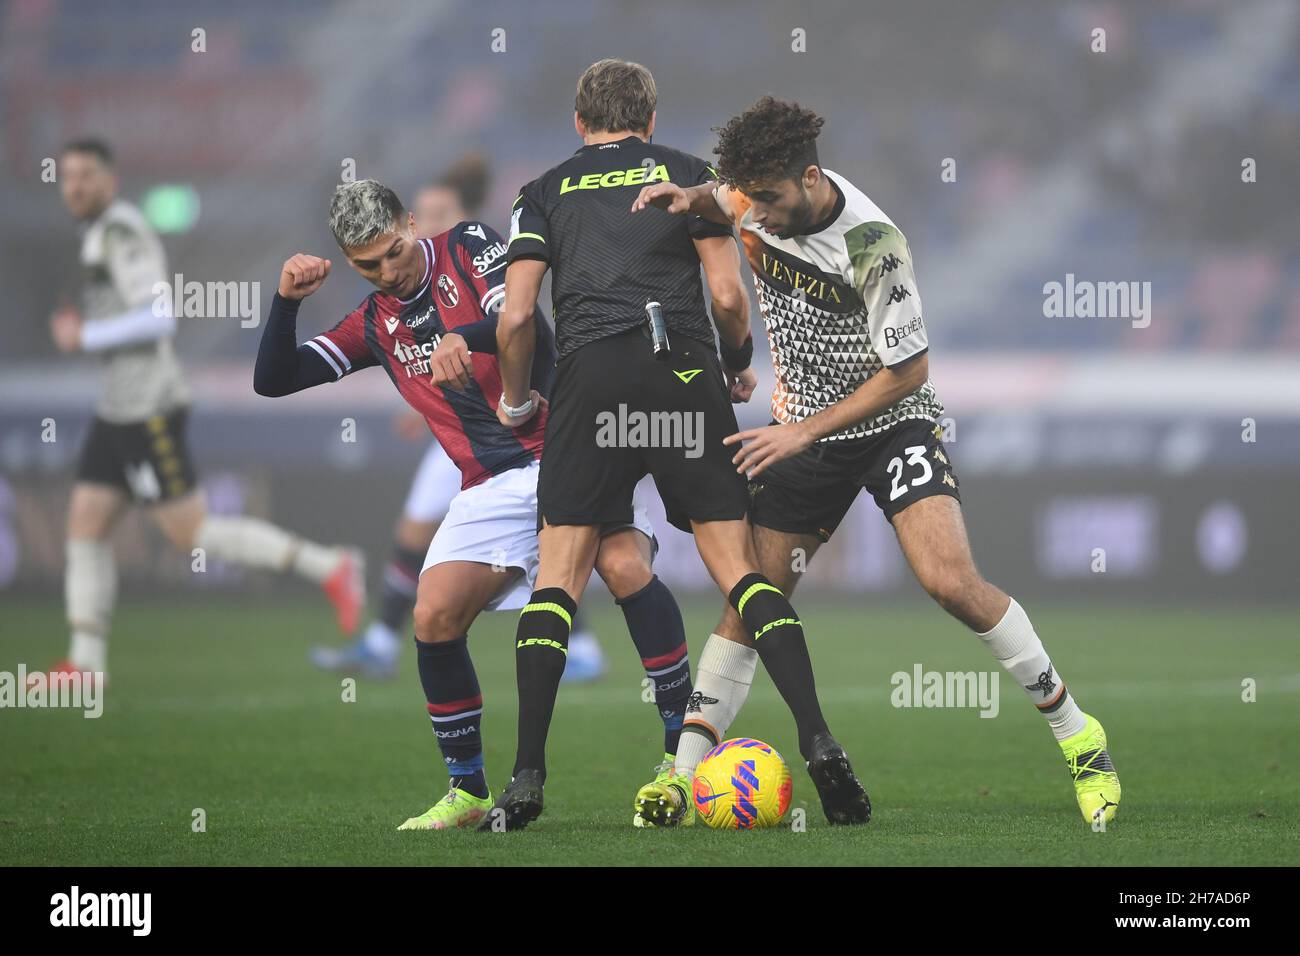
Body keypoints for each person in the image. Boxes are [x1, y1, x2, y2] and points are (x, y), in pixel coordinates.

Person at [633, 96, 1120, 825]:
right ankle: (680, 774)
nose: (754, 215)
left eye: (767, 198)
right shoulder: (746, 195)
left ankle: (1081, 738)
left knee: (950, 581)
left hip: (892, 424)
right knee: (753, 602)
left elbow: (910, 371)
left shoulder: (874, 245)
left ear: (808, 176)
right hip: (803, 434)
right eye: (747, 198)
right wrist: (694, 194)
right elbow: (724, 192)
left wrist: (800, 433)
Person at [491, 60, 871, 831]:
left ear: (578, 122)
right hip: (682, 371)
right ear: (651, 120)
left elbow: (518, 319)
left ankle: (526, 777)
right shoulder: (691, 177)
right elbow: (729, 296)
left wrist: (518, 398)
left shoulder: (540, 194)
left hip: (591, 379)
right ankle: (821, 740)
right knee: (742, 574)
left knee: (558, 579)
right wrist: (734, 367)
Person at [254, 179, 694, 830]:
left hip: (568, 444)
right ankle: (468, 792)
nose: (386, 272)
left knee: (628, 569)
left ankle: (678, 761)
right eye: (365, 265)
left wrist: (466, 335)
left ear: (411, 225)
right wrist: (285, 303)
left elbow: (521, 322)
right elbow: (275, 379)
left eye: (393, 252)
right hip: (489, 484)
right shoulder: (375, 323)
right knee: (432, 616)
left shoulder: (468, 245)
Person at [36, 139, 363, 687]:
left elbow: (160, 317)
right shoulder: (96, 234)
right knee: (85, 525)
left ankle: (331, 566)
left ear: (110, 180)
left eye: (86, 175)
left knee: (192, 533)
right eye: (67, 176)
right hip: (117, 409)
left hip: (147, 409)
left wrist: (84, 335)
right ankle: (85, 662)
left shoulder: (120, 229)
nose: (74, 186)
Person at [312, 154, 607, 681]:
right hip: (465, 439)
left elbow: (515, 328)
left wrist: (517, 395)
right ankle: (384, 639)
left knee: (563, 542)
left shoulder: (472, 251)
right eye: (421, 209)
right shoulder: (399, 300)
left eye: (435, 211)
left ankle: (579, 645)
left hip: (525, 431)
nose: (426, 220)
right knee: (421, 531)